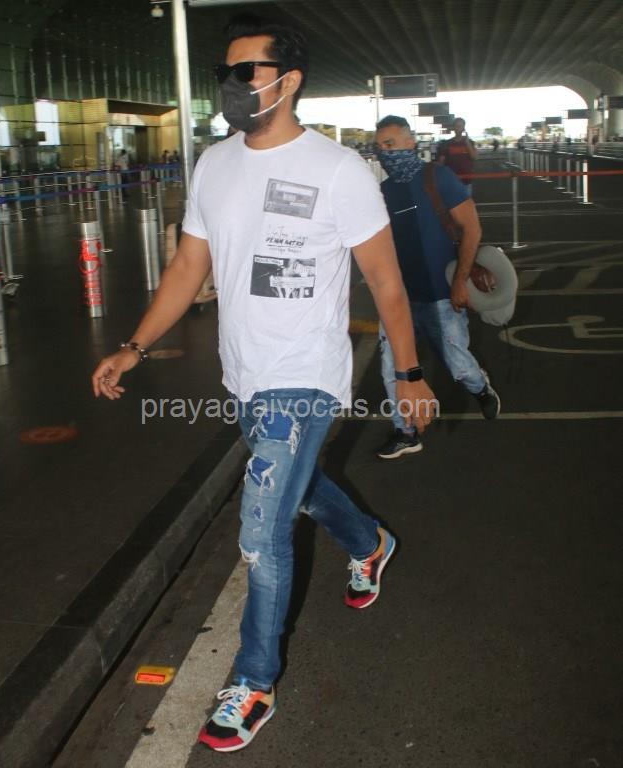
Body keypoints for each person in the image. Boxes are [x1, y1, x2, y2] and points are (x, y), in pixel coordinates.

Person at [92, 14, 435, 752]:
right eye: (228, 72)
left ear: (289, 81)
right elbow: (190, 266)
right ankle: (369, 540)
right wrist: (135, 346)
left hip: (305, 375)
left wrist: (407, 374)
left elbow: (386, 282)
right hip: (245, 372)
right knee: (298, 490)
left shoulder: (338, 171)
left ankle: (253, 683)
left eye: (247, 72)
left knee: (261, 528)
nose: (233, 85)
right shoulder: (214, 165)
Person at [374, 115, 500, 459]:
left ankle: (481, 388)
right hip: (400, 299)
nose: (386, 152)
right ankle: (406, 432)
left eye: (391, 144)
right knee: (392, 369)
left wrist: (459, 282)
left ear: (411, 142)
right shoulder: (385, 191)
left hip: (441, 295)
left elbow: (472, 229)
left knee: (459, 366)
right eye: (380, 147)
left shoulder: (438, 177)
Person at [437, 117, 477, 192]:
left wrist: (467, 142)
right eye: (456, 126)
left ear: (463, 128)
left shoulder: (470, 142)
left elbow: (474, 157)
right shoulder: (446, 144)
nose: (458, 128)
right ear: (453, 128)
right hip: (451, 180)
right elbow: (441, 163)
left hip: (466, 180)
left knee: (466, 199)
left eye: (460, 126)